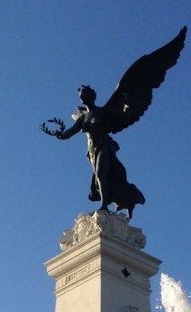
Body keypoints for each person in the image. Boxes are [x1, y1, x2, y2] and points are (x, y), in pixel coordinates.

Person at [53, 86, 145, 219]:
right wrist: (60, 135)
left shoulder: (103, 112)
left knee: (101, 174)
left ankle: (104, 205)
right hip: (91, 150)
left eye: (83, 94)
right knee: (98, 178)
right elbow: (70, 132)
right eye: (80, 95)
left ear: (91, 96)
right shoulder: (83, 118)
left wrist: (127, 106)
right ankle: (109, 200)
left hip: (104, 145)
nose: (81, 97)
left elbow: (123, 118)